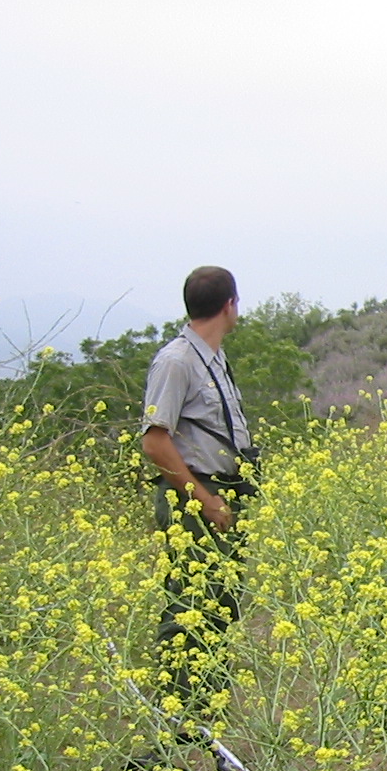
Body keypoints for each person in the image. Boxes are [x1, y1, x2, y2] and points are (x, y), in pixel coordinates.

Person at [141, 266, 258, 718]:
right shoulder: (176, 361)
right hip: (196, 498)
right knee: (190, 602)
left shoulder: (213, 358)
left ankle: (208, 709)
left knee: (220, 602)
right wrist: (204, 500)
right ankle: (178, 715)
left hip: (222, 495)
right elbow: (155, 442)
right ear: (230, 305)